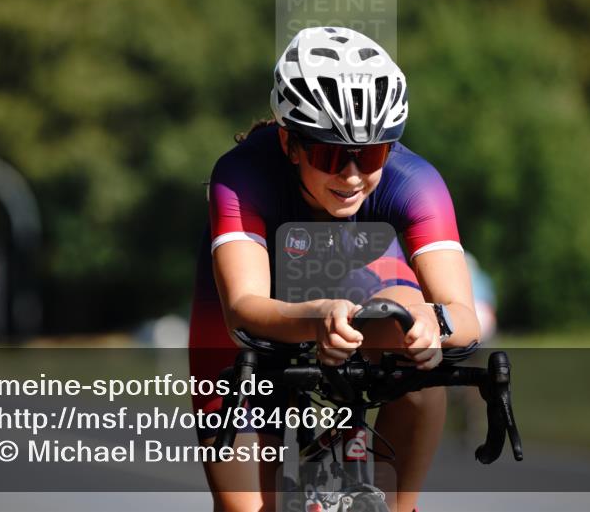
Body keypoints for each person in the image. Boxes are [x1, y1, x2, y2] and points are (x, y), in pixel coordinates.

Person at [188, 27, 480, 512]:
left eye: (369, 155)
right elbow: (242, 306)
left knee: (416, 348)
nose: (350, 176)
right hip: (257, 313)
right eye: (328, 155)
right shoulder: (241, 176)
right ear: (290, 143)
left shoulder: (416, 183)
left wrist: (433, 324)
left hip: (357, 292)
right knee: (243, 507)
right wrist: (317, 315)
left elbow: (462, 315)